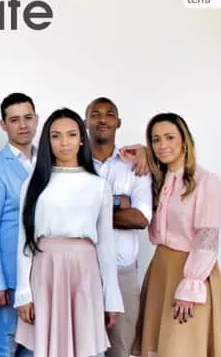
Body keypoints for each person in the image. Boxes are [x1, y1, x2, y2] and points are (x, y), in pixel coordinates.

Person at [15, 108, 123, 357]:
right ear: (47, 140)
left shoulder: (98, 186)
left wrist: (111, 297)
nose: (64, 142)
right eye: (56, 136)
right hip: (46, 270)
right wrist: (23, 292)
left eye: (71, 134)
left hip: (85, 271)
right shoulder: (34, 183)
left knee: (85, 346)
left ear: (82, 139)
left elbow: (106, 245)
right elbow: (24, 241)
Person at [131, 113, 221, 357]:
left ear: (184, 141)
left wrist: (190, 286)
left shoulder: (205, 181)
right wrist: (141, 152)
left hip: (192, 273)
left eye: (169, 137)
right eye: (155, 140)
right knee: (159, 349)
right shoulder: (158, 179)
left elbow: (207, 239)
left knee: (183, 348)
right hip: (161, 270)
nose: (162, 145)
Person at [84, 97, 152, 357]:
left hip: (122, 274)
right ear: (85, 121)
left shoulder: (134, 165)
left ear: (118, 122)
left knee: (120, 351)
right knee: (80, 349)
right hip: (81, 273)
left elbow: (140, 219)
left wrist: (89, 212)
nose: (102, 119)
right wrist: (119, 202)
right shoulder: (71, 162)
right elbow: (64, 213)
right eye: (95, 114)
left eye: (109, 114)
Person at [0, 93, 37, 357]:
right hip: (8, 276)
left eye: (28, 117)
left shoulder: (48, 163)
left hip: (39, 276)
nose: (23, 125)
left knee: (34, 349)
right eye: (14, 120)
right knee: (4, 346)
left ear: (37, 119)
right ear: (3, 125)